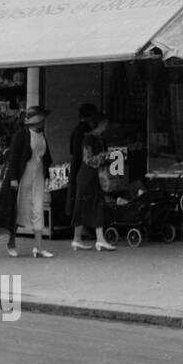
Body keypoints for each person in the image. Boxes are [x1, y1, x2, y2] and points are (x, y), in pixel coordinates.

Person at [0, 106, 55, 258]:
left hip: (38, 174)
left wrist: (48, 174)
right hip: (24, 175)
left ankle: (38, 247)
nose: (43, 122)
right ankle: (11, 242)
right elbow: (13, 158)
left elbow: (46, 156)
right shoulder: (21, 135)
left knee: (38, 207)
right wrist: (14, 178)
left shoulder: (41, 135)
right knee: (18, 207)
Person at [71, 111, 117, 253]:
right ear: (98, 124)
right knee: (82, 206)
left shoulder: (99, 139)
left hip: (96, 177)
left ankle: (99, 239)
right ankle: (77, 239)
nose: (106, 126)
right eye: (104, 123)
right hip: (87, 177)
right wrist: (104, 156)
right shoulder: (88, 140)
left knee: (97, 205)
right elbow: (88, 160)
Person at [65, 103, 98, 223]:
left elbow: (72, 151)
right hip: (83, 165)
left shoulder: (76, 130)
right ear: (90, 117)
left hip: (76, 164)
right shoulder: (86, 132)